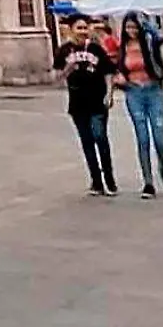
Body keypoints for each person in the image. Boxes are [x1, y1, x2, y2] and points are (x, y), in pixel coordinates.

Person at [111, 12, 163, 198]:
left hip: (153, 91)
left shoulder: (150, 42)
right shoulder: (122, 47)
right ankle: (148, 183)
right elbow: (118, 69)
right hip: (134, 93)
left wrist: (146, 22)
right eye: (128, 27)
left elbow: (161, 36)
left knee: (160, 138)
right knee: (142, 138)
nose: (131, 31)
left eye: (134, 27)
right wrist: (120, 78)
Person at [54, 12, 117, 197]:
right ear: (71, 30)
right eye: (79, 28)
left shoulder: (96, 49)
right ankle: (96, 181)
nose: (82, 31)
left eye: (85, 28)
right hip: (77, 103)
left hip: (97, 100)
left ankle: (109, 179)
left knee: (100, 138)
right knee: (87, 142)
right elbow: (56, 76)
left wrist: (109, 94)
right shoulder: (64, 50)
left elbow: (108, 72)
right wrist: (67, 69)